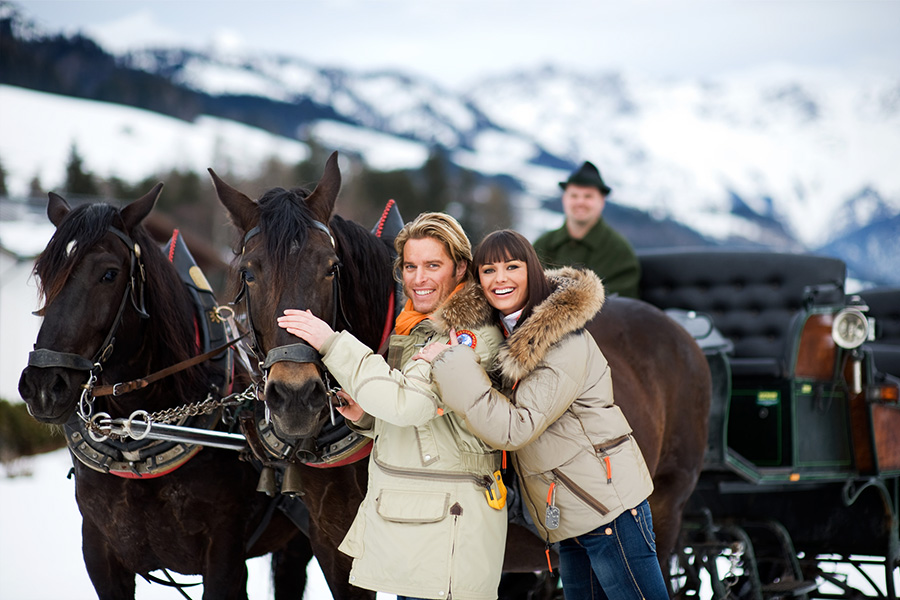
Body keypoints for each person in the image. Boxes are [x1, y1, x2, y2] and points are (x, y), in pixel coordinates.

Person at [418, 229, 668, 600]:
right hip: (569, 515)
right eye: (488, 270)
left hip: (608, 512)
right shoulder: (503, 333)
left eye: (512, 267)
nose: (500, 278)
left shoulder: (561, 341)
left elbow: (515, 428)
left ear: (532, 271)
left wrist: (450, 364)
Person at [276, 212, 508, 600]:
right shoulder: (415, 327)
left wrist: (333, 343)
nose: (419, 279)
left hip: (447, 527)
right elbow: (433, 426)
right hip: (422, 523)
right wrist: (367, 415)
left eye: (433, 265)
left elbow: (409, 406)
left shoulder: (467, 336)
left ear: (461, 267)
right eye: (411, 266)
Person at [533, 161, 641, 298]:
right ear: (564, 199)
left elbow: (622, 307)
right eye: (574, 195)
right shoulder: (542, 246)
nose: (580, 202)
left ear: (601, 201)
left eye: (588, 196)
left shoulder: (619, 252)